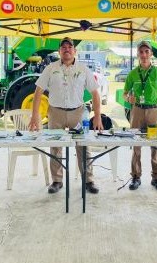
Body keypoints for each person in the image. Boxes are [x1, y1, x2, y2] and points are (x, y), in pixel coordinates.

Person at [29, 37, 103, 194]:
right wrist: (35, 116)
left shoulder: (83, 69)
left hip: (78, 112)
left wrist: (98, 116)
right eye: (64, 47)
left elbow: (95, 93)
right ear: (59, 51)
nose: (67, 49)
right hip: (55, 113)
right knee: (55, 147)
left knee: (83, 146)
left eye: (70, 47)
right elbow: (38, 91)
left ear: (75, 51)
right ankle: (57, 181)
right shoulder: (50, 68)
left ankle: (88, 180)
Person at [123, 40, 157, 191]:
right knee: (136, 143)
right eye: (141, 52)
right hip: (137, 111)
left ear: (151, 54)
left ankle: (156, 177)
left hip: (154, 111)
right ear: (137, 54)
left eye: (146, 52)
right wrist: (128, 98)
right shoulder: (132, 73)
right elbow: (125, 94)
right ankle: (136, 177)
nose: (144, 55)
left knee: (155, 144)